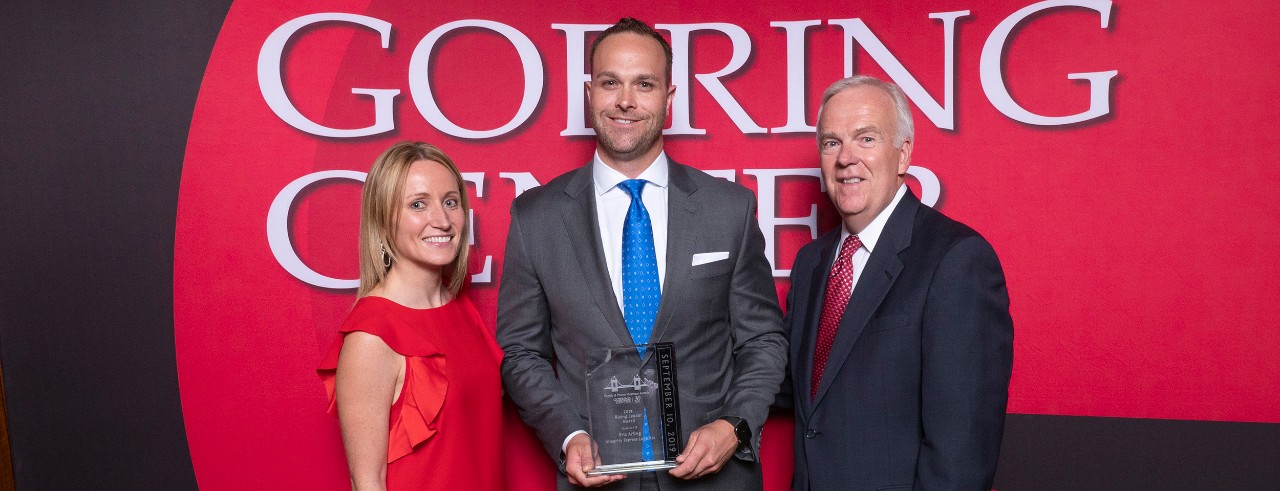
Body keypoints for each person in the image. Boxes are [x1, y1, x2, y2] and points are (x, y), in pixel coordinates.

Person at [497, 17, 787, 490]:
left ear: (669, 99)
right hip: (599, 480)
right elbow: (522, 352)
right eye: (611, 83)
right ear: (590, 93)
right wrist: (568, 434)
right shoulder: (537, 218)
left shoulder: (728, 209)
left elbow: (763, 342)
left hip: (715, 480)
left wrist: (734, 426)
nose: (626, 101)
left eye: (644, 84)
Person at [783, 76, 1014, 490]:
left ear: (903, 153)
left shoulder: (957, 260)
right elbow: (795, 388)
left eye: (866, 139)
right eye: (831, 143)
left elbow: (961, 455)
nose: (846, 158)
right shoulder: (811, 264)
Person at [317, 141, 502, 491]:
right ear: (383, 219)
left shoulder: (460, 308)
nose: (443, 220)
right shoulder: (372, 334)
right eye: (418, 204)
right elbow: (367, 482)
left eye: (451, 202)